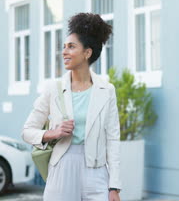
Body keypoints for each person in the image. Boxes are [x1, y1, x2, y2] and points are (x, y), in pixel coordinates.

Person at [22, 13, 121, 201]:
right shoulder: (54, 89)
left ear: (87, 53)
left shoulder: (106, 90)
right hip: (62, 166)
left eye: (71, 47)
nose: (64, 52)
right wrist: (53, 133)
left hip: (96, 170)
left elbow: (113, 139)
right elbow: (27, 131)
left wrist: (114, 186)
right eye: (64, 47)